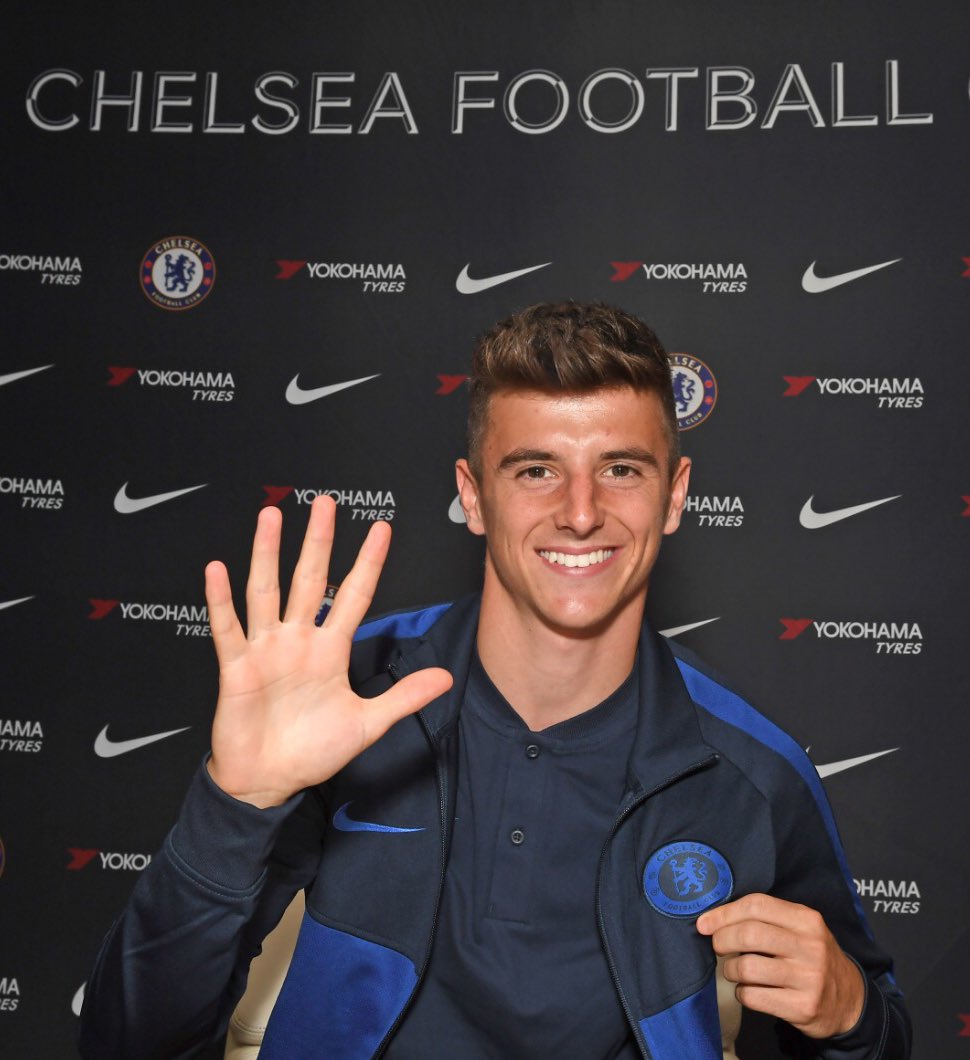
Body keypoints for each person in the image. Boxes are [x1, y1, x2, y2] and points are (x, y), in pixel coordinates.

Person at [80, 302, 911, 1059]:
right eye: (535, 470)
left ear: (675, 496)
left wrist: (851, 1015)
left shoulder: (748, 770)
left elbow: (878, 1027)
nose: (580, 512)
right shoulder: (351, 694)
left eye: (622, 469)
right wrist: (234, 805)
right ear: (473, 497)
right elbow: (129, 1041)